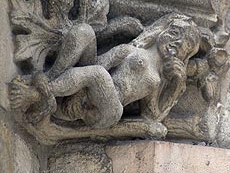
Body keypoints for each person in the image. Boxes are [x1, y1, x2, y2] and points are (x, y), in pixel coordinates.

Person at [9, 13, 201, 129]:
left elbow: (152, 116)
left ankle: (38, 94)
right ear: (161, 30)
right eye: (175, 33)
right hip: (93, 89)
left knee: (98, 74)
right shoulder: (131, 49)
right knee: (83, 31)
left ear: (185, 55)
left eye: (186, 44)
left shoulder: (157, 79)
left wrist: (176, 86)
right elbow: (100, 63)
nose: (176, 43)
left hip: (109, 110)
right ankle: (50, 78)